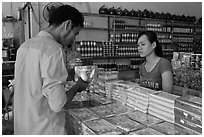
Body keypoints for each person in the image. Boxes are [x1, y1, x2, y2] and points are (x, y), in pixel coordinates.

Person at [14, 5, 89, 135]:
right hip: (45, 129)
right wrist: (77, 87)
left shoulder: (25, 46)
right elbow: (58, 104)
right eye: (75, 33)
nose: (73, 39)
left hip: (23, 127)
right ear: (67, 25)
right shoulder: (54, 49)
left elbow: (34, 83)